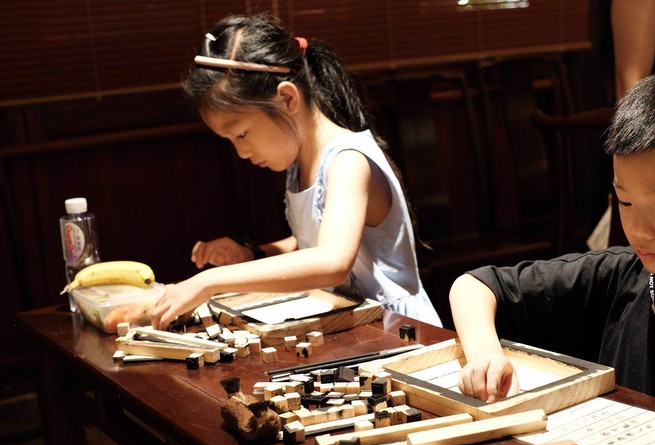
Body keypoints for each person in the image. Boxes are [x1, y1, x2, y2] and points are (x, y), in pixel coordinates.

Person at [449, 68, 655, 420]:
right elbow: (475, 287)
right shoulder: (621, 277)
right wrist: (485, 355)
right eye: (624, 201)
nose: (638, 230)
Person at [151, 14, 441, 329]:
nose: (241, 152)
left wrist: (209, 281)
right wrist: (252, 253)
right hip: (358, 325)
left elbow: (332, 261)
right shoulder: (301, 162)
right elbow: (313, 241)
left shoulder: (348, 161)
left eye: (242, 134)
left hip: (400, 329)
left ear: (287, 98)